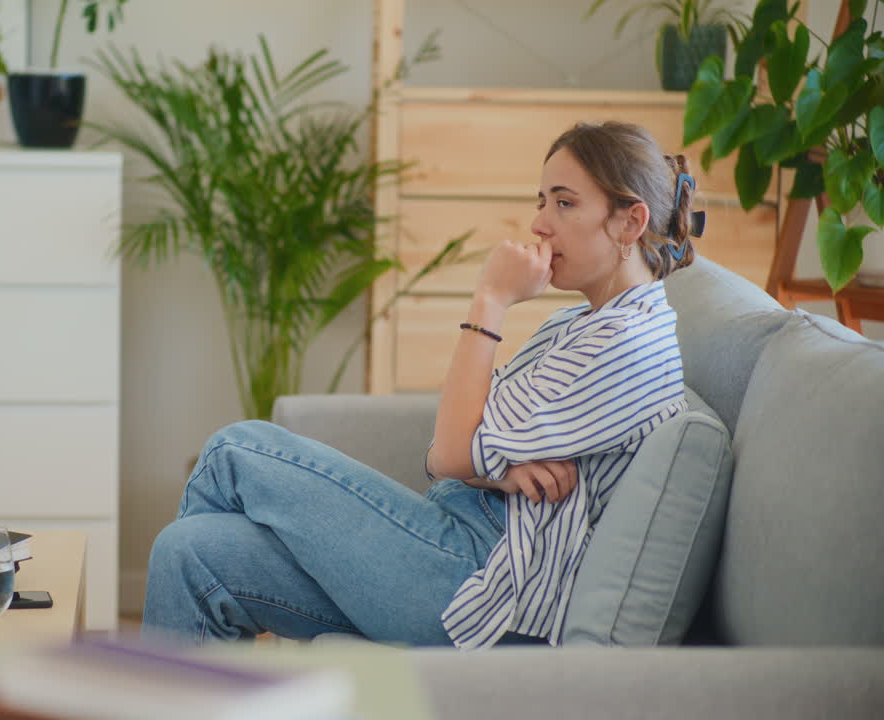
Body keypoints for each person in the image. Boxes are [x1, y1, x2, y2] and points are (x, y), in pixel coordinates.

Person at [142, 120, 702, 648]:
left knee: (235, 449)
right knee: (188, 552)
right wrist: (500, 469)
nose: (539, 223)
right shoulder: (581, 325)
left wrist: (491, 299)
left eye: (564, 202)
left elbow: (453, 452)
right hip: (452, 539)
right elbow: (453, 451)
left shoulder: (627, 345)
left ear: (631, 222)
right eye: (541, 201)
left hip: (476, 583)